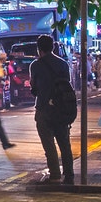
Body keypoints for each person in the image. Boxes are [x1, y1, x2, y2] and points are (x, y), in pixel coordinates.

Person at [29, 34, 74, 184]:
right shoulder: (63, 64)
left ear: (39, 48)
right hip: (61, 108)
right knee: (64, 143)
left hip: (44, 109)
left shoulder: (35, 65)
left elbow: (34, 88)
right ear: (53, 47)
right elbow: (67, 86)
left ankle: (55, 174)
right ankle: (69, 175)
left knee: (49, 144)